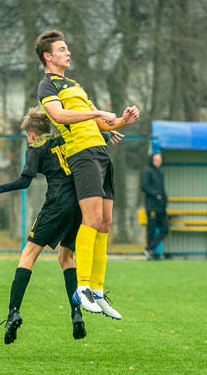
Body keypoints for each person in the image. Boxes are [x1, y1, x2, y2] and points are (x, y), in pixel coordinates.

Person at [0, 107, 123, 345]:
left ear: (31, 133)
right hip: (80, 207)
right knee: (66, 258)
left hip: (56, 206)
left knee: (28, 255)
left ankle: (13, 313)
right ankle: (76, 314)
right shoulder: (66, 138)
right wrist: (107, 135)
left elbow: (25, 181)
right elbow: (90, 140)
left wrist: (0, 187)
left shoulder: (36, 148)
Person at [36, 30, 139, 318]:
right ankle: (81, 288)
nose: (68, 53)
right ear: (48, 56)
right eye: (62, 49)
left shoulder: (75, 85)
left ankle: (97, 289)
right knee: (91, 219)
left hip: (101, 154)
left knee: (105, 223)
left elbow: (103, 120)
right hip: (82, 155)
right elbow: (59, 116)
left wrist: (122, 120)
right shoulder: (47, 87)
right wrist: (96, 115)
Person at [140, 153, 168, 260]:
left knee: (165, 229)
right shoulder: (147, 171)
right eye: (156, 160)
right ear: (152, 160)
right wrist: (155, 194)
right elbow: (144, 187)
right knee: (151, 229)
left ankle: (149, 249)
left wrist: (165, 200)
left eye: (159, 160)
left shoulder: (159, 173)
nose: (158, 162)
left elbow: (162, 189)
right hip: (151, 206)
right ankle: (149, 251)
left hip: (161, 207)